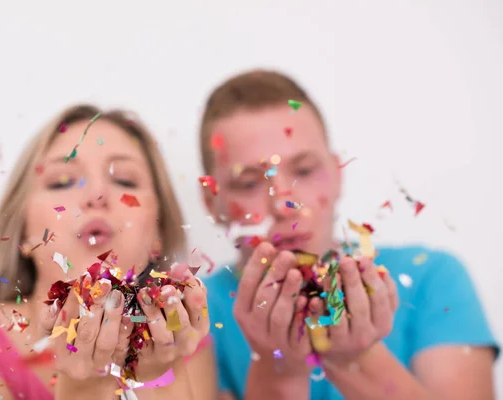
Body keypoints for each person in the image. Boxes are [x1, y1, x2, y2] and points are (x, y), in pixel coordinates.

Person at [197, 70, 499, 399]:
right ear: (213, 203)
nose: (284, 204)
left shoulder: (432, 276)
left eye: (304, 170)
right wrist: (277, 368)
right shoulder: (192, 312)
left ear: (337, 174)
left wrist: (357, 359)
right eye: (250, 183)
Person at [0, 104, 216, 400]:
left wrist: (156, 378)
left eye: (124, 179)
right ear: (23, 233)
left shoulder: (181, 339)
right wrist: (85, 390)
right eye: (62, 181)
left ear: (158, 235)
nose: (96, 196)